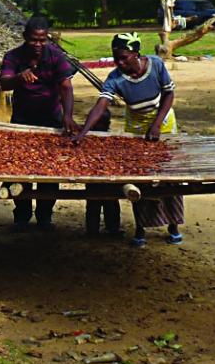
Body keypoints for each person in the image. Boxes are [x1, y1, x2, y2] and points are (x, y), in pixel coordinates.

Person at [72, 32, 183, 247]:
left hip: (164, 122)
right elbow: (100, 106)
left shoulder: (157, 65)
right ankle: (140, 228)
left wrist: (157, 124)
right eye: (116, 59)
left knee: (170, 175)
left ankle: (173, 225)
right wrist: (83, 132)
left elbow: (169, 95)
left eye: (124, 57)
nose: (120, 63)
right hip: (136, 126)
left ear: (136, 53)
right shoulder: (115, 79)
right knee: (139, 176)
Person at [0, 16, 79, 231]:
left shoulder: (56, 56)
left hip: (50, 118)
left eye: (42, 40)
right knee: (20, 168)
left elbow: (66, 87)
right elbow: (4, 83)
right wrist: (18, 78)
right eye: (34, 40)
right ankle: (22, 214)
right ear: (25, 38)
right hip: (23, 120)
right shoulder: (13, 56)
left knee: (49, 171)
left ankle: (45, 215)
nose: (38, 45)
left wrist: (67, 115)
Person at [83, 112, 123, 237]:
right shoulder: (86, 138)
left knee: (108, 203)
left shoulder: (113, 140)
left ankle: (109, 230)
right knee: (96, 203)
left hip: (109, 179)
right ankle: (95, 230)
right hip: (94, 178)